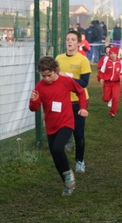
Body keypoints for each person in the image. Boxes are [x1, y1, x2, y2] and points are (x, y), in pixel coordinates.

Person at [29, 56, 88, 196]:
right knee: (55, 156)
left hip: (66, 122)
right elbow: (34, 108)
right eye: (44, 76)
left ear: (56, 70)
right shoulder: (40, 86)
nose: (47, 79)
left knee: (57, 148)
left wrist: (83, 107)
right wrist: (34, 101)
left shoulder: (66, 81)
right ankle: (68, 183)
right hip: (51, 125)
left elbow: (81, 92)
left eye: (49, 75)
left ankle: (69, 175)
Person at [56, 30, 91, 174]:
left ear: (78, 43)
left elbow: (84, 83)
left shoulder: (83, 60)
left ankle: (80, 161)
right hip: (63, 101)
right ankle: (67, 145)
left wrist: (68, 78)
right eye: (67, 39)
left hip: (78, 101)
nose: (69, 42)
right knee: (62, 130)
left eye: (72, 39)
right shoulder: (58, 58)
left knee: (79, 133)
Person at [98, 46, 122, 117]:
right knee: (105, 99)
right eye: (111, 53)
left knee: (116, 98)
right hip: (107, 83)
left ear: (117, 54)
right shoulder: (107, 62)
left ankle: (113, 112)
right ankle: (109, 98)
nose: (113, 55)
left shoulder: (120, 63)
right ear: (109, 54)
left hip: (116, 83)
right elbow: (101, 71)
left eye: (114, 53)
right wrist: (101, 78)